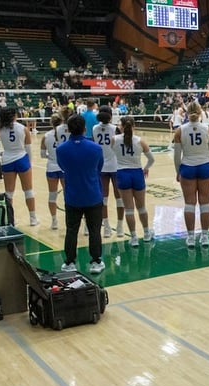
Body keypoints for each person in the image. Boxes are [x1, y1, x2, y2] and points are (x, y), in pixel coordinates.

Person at [56, 114, 105, 274]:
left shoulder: (61, 149)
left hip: (72, 197)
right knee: (94, 230)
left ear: (68, 129)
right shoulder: (96, 148)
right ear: (85, 128)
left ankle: (70, 262)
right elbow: (99, 168)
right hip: (93, 196)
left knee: (71, 230)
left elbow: (63, 167)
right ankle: (96, 261)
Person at [173, 101, 209, 248]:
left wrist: (178, 172)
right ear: (200, 113)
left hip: (188, 167)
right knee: (205, 203)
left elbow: (177, 155)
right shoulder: (208, 130)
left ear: (186, 113)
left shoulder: (180, 131)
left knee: (189, 204)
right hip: (205, 166)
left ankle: (191, 237)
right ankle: (205, 236)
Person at [0, 107, 39, 226]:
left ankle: (10, 220)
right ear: (14, 115)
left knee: (9, 193)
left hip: (7, 160)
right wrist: (29, 163)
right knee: (28, 190)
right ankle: (33, 219)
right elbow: (28, 148)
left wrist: (0, 153)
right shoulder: (23, 128)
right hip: (22, 159)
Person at [111, 116, 155, 247]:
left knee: (129, 209)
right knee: (141, 207)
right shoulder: (140, 141)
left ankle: (134, 237)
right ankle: (146, 233)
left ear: (121, 127)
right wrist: (146, 168)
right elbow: (151, 159)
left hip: (122, 173)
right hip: (137, 173)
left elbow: (112, 153)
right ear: (134, 126)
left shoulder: (114, 139)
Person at [93, 106, 125, 238]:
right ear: (111, 116)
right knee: (119, 198)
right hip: (116, 166)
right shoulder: (115, 129)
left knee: (103, 198)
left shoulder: (94, 129)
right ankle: (120, 227)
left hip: (101, 166)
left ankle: (106, 227)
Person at [40, 114, 65, 230]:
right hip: (64, 167)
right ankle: (69, 218)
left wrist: (51, 156)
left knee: (52, 195)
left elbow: (42, 154)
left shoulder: (46, 136)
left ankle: (54, 221)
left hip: (51, 167)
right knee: (67, 194)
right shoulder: (66, 134)